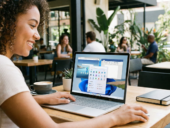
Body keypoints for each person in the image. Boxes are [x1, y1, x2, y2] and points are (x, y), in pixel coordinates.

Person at [0, 0, 149, 128]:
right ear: (5, 22)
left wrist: (38, 99)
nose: (38, 35)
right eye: (32, 25)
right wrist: (114, 117)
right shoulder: (4, 68)